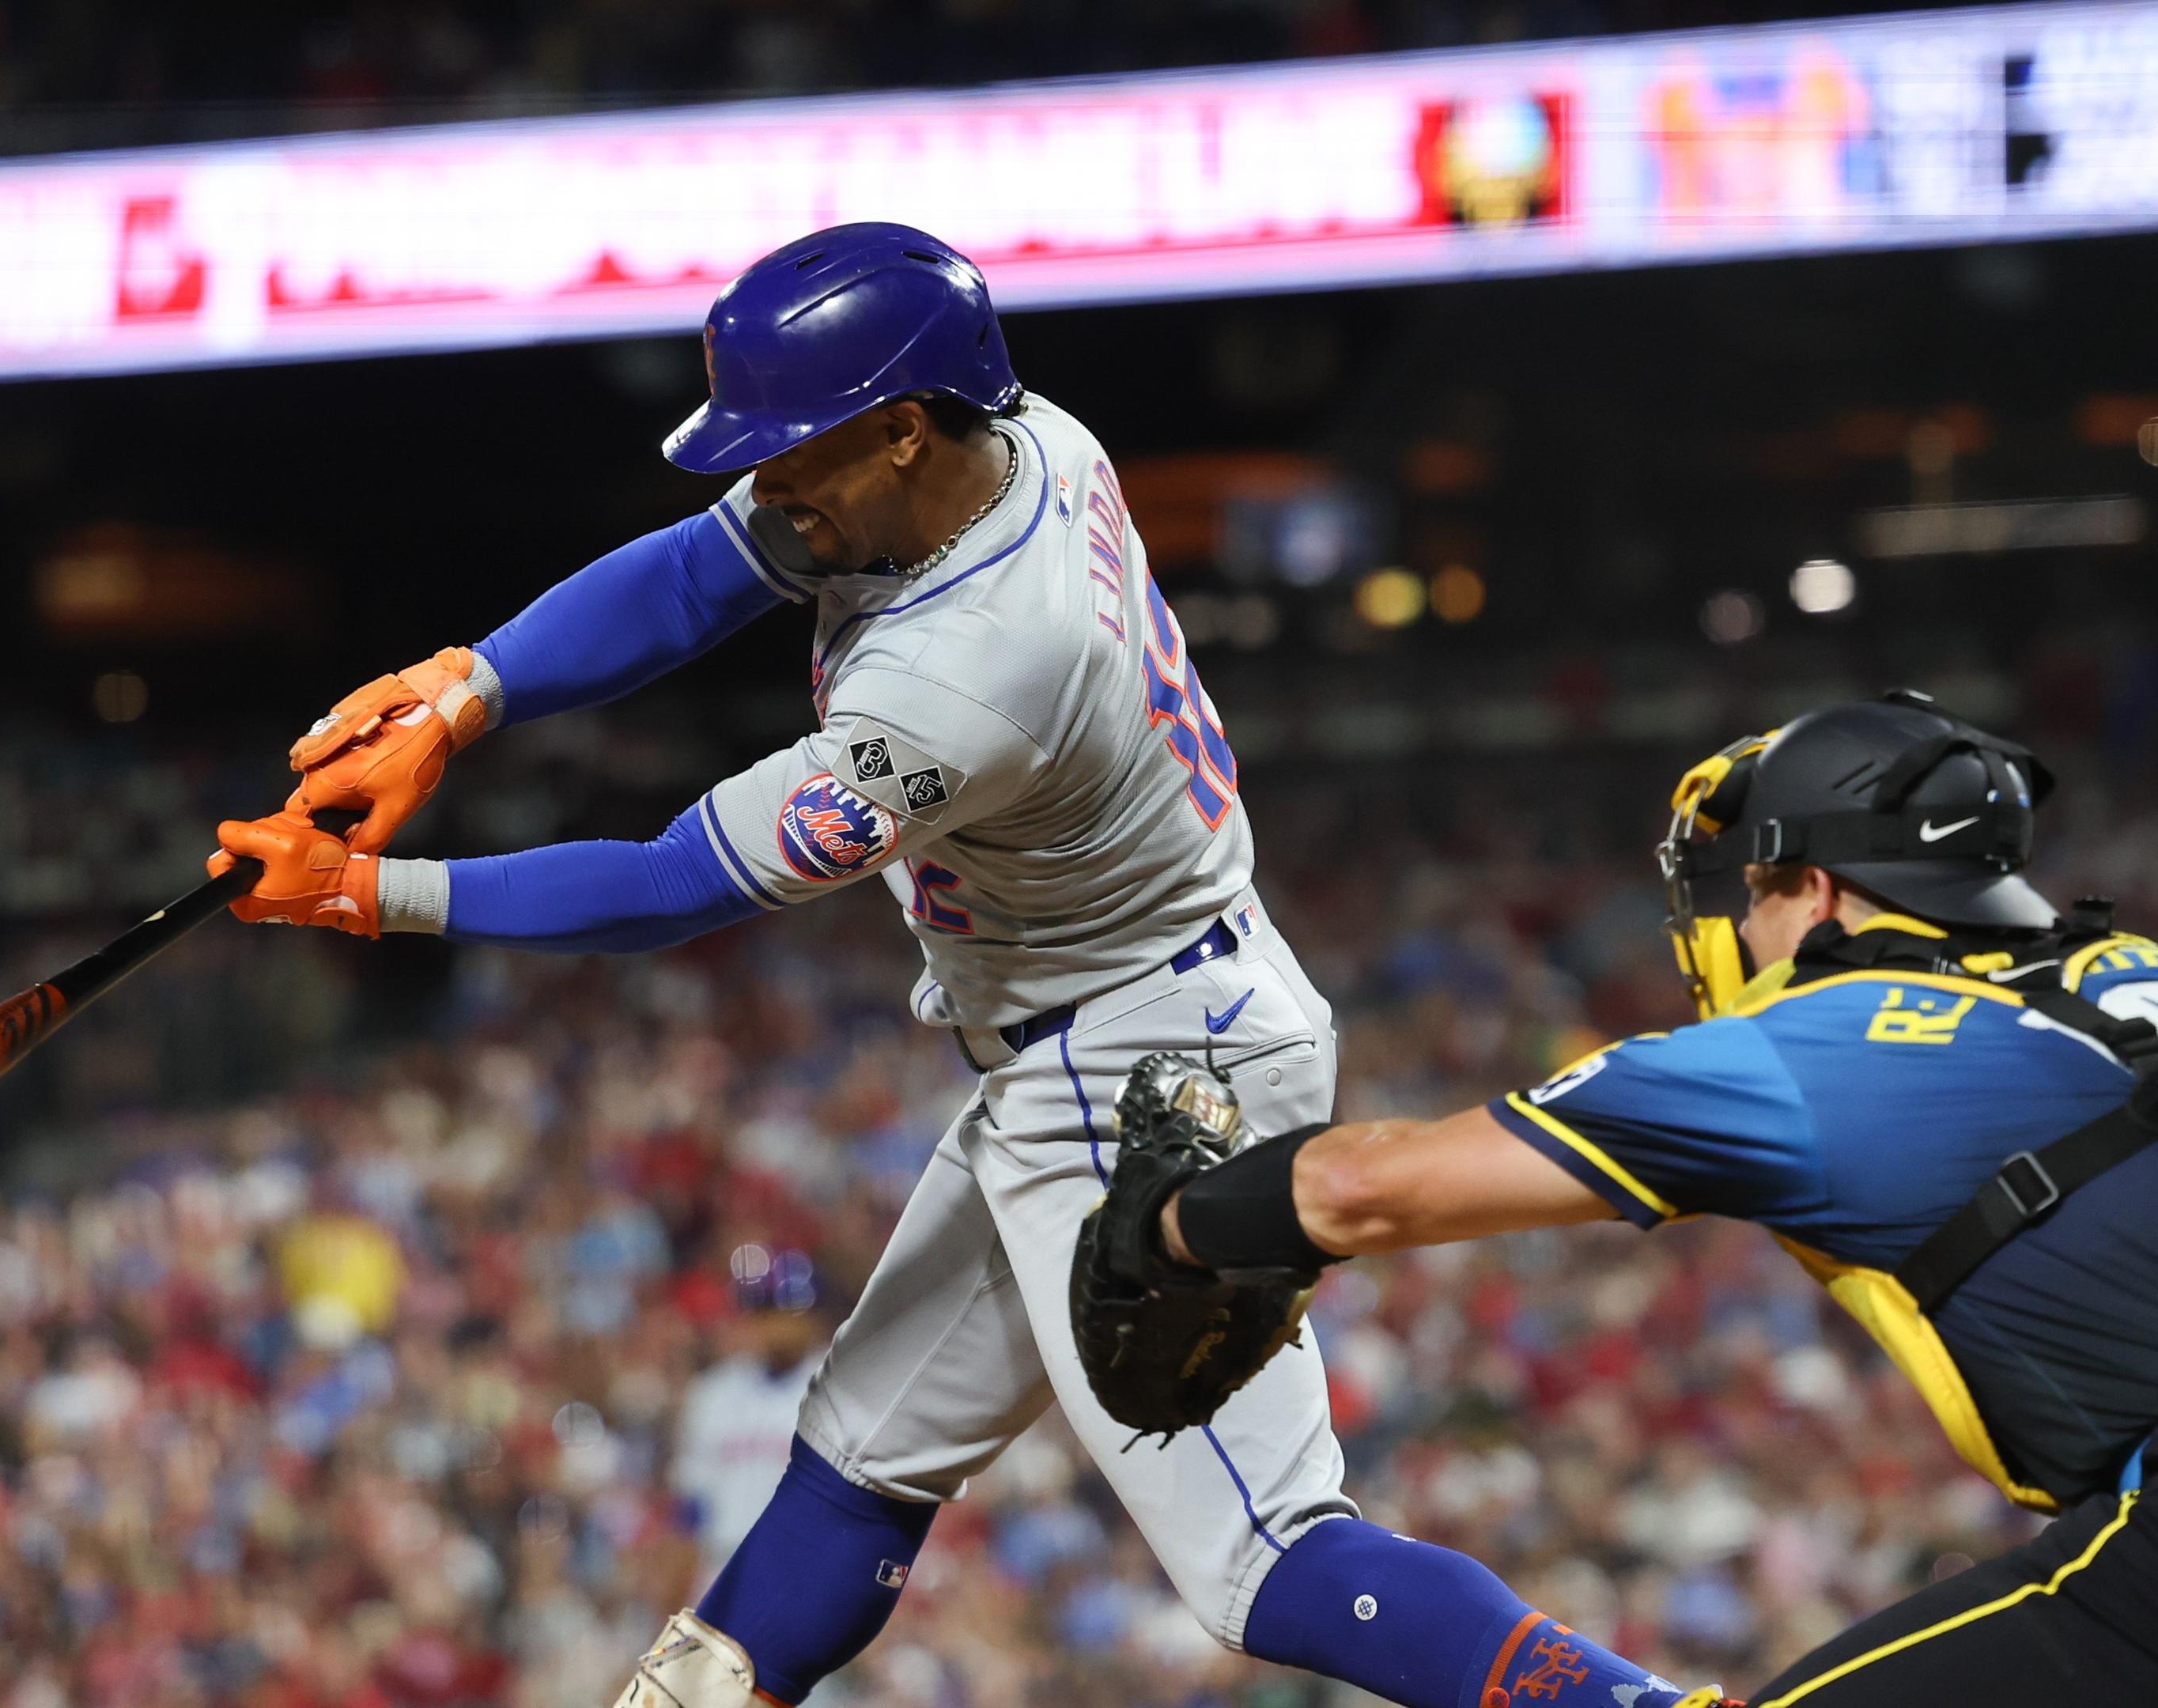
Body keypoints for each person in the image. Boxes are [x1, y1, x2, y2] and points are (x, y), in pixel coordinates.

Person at [210, 223, 1708, 1708]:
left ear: (904, 431)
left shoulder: (971, 673)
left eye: (797, 448)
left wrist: (370, 893)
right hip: (1099, 1027)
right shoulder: (1021, 437)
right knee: (860, 1454)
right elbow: (699, 575)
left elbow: (671, 884)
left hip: (1149, 1078)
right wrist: (469, 692)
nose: (770, 480)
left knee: (1266, 1563)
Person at [1108, 691, 2158, 1704]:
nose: (1744, 926)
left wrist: (1168, 1228)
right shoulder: (2129, 966)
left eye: (1761, 887)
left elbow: (1361, 1189)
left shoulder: (1821, 1042)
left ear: (1826, 891)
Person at [669, 1248, 828, 1586]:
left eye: (792, 1311)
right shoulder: (713, 1393)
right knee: (684, 1644)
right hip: (722, 1564)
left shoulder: (835, 1390)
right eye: (769, 1310)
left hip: (803, 1567)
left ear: (813, 1317)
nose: (779, 1324)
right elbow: (691, 1502)